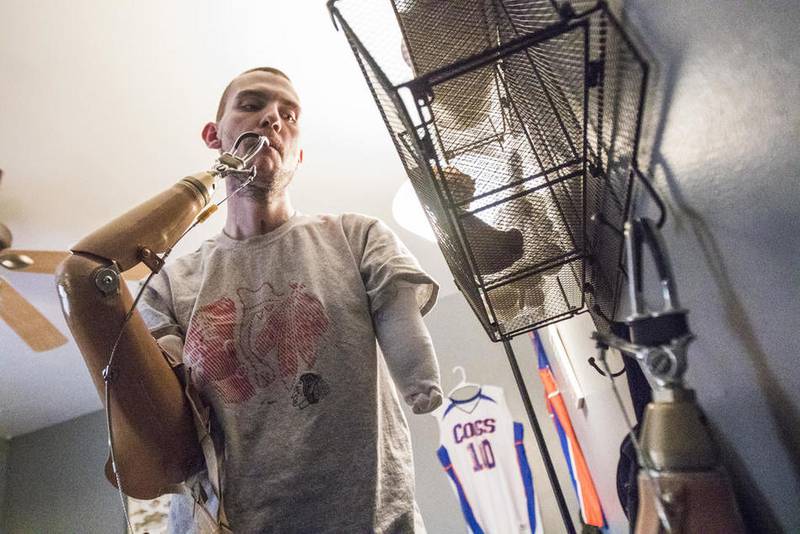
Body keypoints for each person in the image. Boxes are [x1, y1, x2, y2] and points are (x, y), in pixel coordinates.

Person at [139, 67, 443, 533]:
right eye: (251, 105)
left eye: (289, 114)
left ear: (298, 155)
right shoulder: (169, 284)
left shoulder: (357, 237)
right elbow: (164, 422)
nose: (272, 119)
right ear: (213, 136)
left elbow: (399, 313)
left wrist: (420, 379)